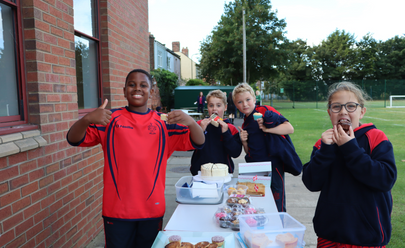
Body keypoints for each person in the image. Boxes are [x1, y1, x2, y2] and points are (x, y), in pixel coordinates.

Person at [66, 69, 205, 248]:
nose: (137, 89)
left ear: (151, 92)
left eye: (143, 85)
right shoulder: (109, 119)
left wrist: (192, 123)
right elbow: (73, 138)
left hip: (151, 209)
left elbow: (199, 141)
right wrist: (87, 119)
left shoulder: (164, 123)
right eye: (131, 85)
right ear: (124, 91)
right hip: (117, 211)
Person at [302, 82, 397, 248]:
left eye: (351, 106)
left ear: (362, 112)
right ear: (329, 112)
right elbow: (311, 182)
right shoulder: (323, 143)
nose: (344, 111)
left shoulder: (375, 137)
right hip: (329, 234)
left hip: (366, 237)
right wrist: (325, 150)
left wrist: (350, 147)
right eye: (336, 107)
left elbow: (385, 179)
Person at [233, 83, 301, 212]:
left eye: (248, 100)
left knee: (277, 202)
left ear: (254, 99)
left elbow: (289, 128)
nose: (245, 104)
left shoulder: (264, 111)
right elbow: (249, 151)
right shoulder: (245, 123)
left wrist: (267, 129)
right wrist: (244, 141)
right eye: (240, 102)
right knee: (257, 202)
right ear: (236, 105)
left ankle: (279, 228)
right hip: (255, 167)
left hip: (273, 166)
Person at [190, 90, 242, 176]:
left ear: (225, 107)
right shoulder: (199, 125)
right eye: (211, 105)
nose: (214, 109)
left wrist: (226, 133)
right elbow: (189, 148)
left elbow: (235, 153)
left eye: (218, 105)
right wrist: (200, 131)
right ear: (208, 107)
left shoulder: (231, 128)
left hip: (223, 173)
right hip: (200, 173)